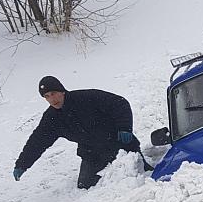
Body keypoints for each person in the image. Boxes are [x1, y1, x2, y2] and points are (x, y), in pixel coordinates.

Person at [13, 76, 149, 189]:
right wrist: (22, 165)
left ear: (62, 91)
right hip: (92, 153)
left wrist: (124, 128)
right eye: (47, 96)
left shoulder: (86, 98)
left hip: (120, 144)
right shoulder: (52, 118)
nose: (52, 99)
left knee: (138, 176)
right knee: (85, 185)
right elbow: (38, 141)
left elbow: (119, 103)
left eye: (53, 93)